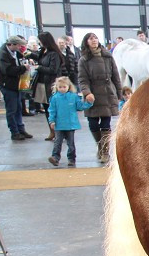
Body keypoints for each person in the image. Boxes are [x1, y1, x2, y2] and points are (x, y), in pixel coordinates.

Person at [77, 32, 123, 164]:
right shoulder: (84, 60)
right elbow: (82, 79)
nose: (94, 40)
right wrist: (86, 93)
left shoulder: (108, 57)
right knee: (93, 124)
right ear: (86, 42)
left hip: (107, 93)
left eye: (95, 38)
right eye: (91, 39)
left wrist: (119, 94)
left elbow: (116, 77)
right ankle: (100, 146)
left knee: (105, 124)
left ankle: (104, 150)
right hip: (92, 95)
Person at [47, 76, 93, 167]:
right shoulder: (55, 98)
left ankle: (71, 159)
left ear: (68, 86)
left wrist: (89, 103)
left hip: (70, 125)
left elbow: (80, 106)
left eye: (64, 87)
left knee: (70, 143)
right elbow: (52, 110)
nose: (62, 89)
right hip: (59, 125)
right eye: (60, 87)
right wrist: (51, 121)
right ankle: (55, 158)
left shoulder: (74, 97)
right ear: (57, 87)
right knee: (57, 142)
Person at [0, 35, 34, 140]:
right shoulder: (2, 54)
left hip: (15, 85)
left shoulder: (14, 52)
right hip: (7, 85)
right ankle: (14, 132)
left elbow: (20, 57)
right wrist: (23, 68)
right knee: (12, 109)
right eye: (19, 46)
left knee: (18, 107)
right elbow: (7, 70)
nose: (20, 48)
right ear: (12, 44)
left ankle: (21, 129)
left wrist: (27, 61)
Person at [33, 31, 65, 141]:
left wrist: (39, 67)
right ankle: (52, 131)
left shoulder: (54, 54)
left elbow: (53, 69)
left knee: (55, 109)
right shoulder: (43, 51)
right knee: (47, 110)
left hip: (51, 85)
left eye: (40, 41)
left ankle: (60, 131)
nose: (39, 43)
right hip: (42, 84)